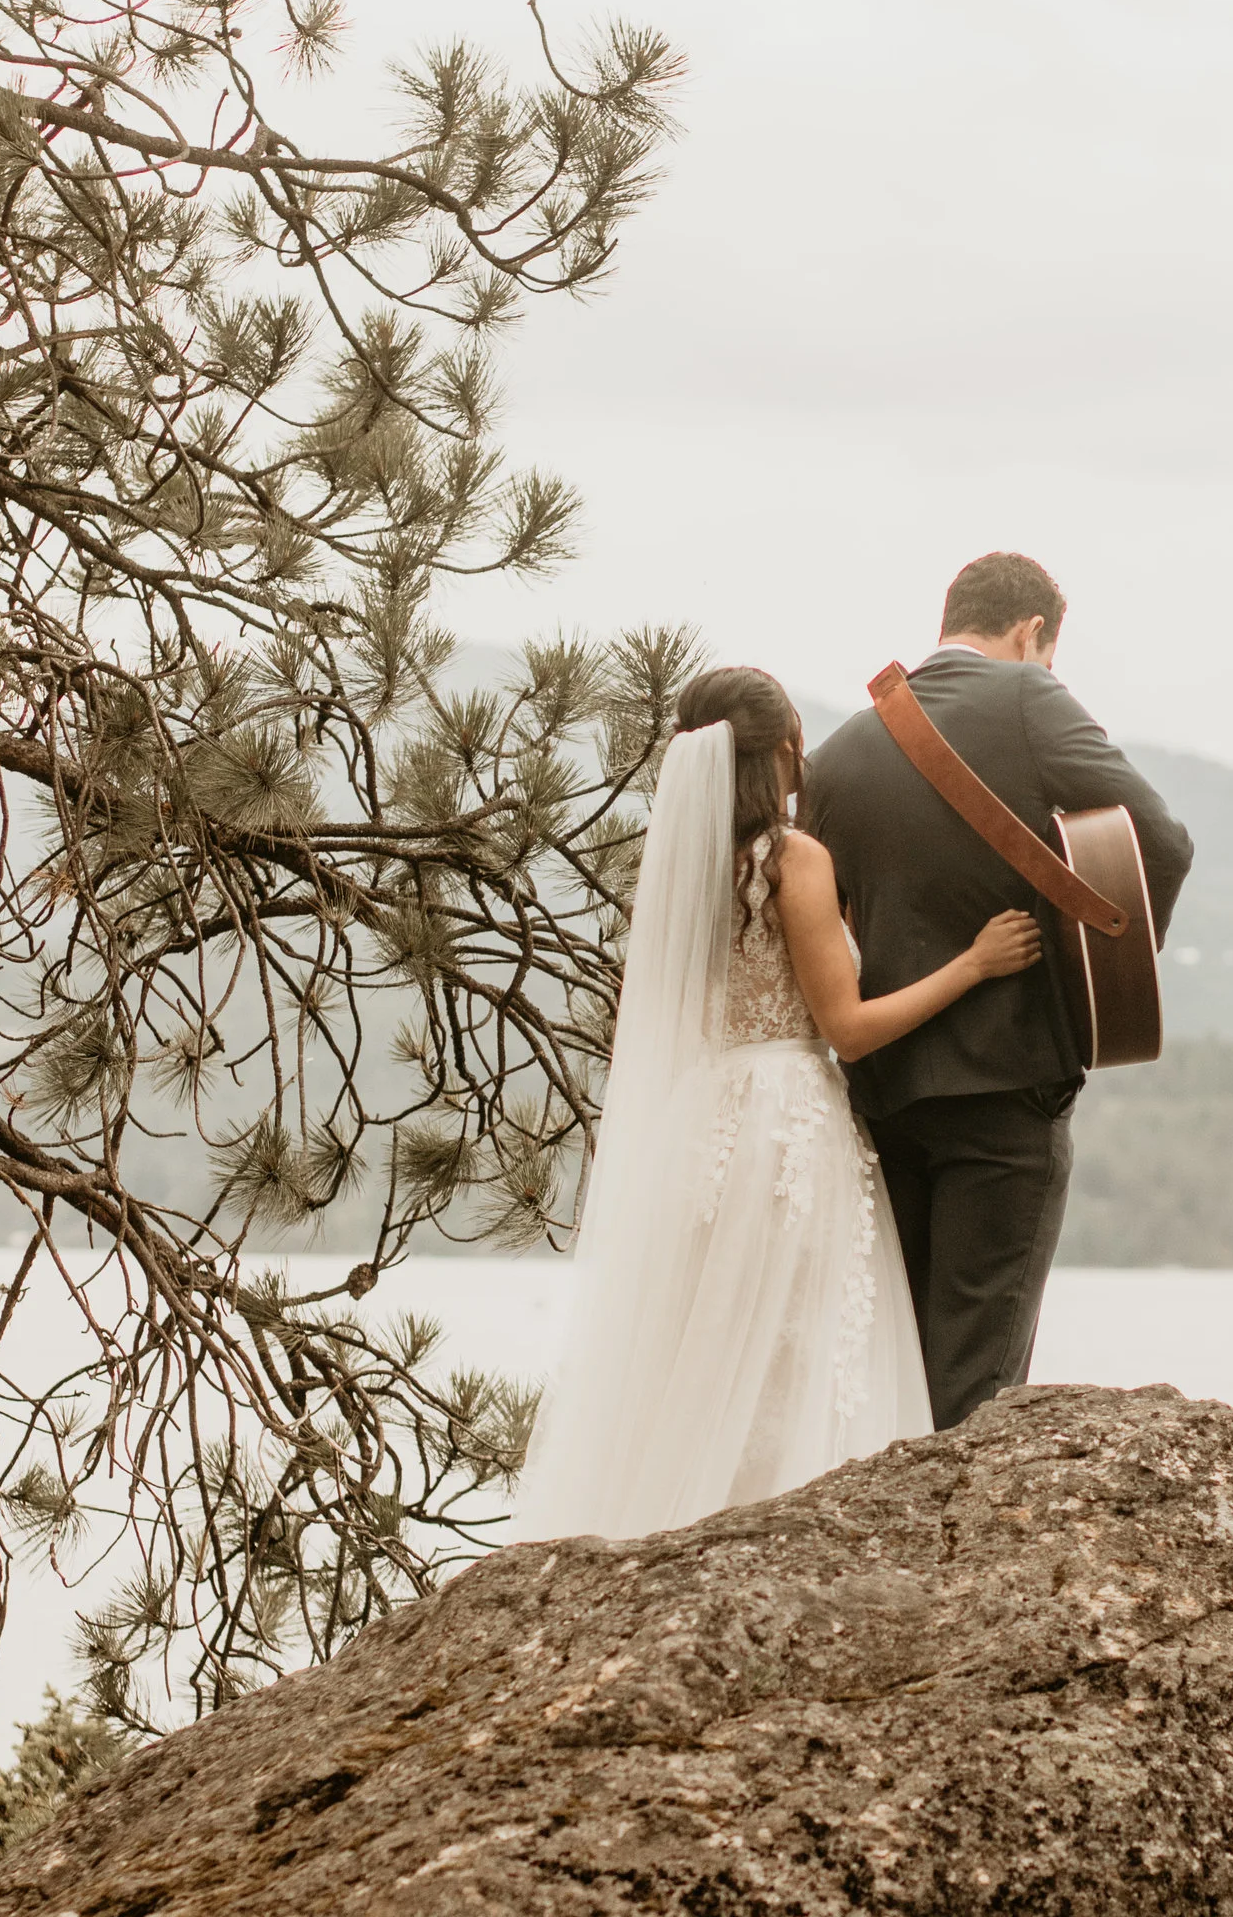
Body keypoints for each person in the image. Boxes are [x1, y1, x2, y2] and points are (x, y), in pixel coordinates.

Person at [504, 664, 1042, 1540]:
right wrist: (974, 964)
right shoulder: (793, 859)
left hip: (705, 1123)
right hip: (786, 1121)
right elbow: (850, 1027)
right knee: (797, 1350)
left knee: (710, 1348)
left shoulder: (687, 865)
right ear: (786, 744)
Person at [806, 552, 1193, 1433]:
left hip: (883, 1098)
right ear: (1031, 635)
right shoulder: (1028, 698)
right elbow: (1161, 840)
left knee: (894, 1362)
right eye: (1049, 654)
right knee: (978, 1384)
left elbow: (817, 926)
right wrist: (1102, 986)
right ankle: (949, 1567)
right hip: (1007, 1088)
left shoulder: (837, 754)